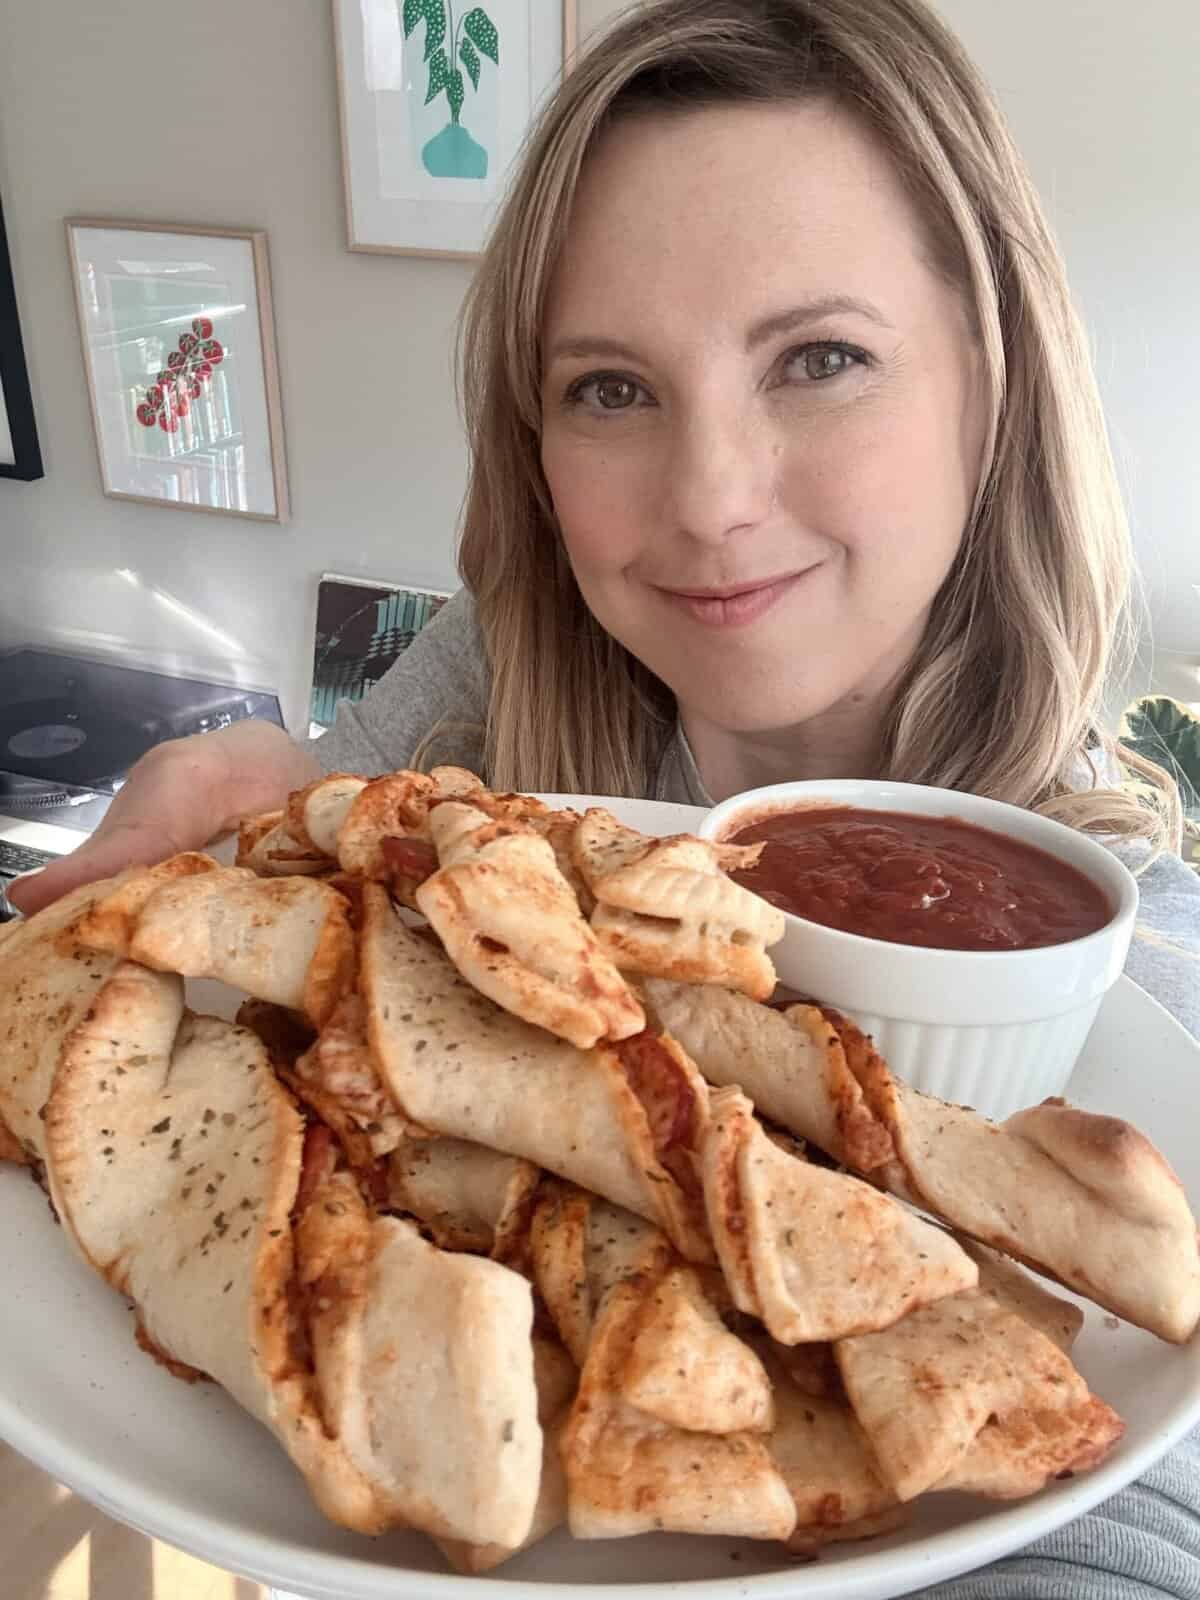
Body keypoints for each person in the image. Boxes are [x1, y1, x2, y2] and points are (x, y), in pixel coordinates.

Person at [10, 1, 1198, 1591]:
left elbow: (1129, 1514)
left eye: (821, 359)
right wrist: (270, 794)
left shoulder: (1129, 954)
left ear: (991, 382)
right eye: (612, 390)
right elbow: (334, 867)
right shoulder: (497, 669)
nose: (709, 503)